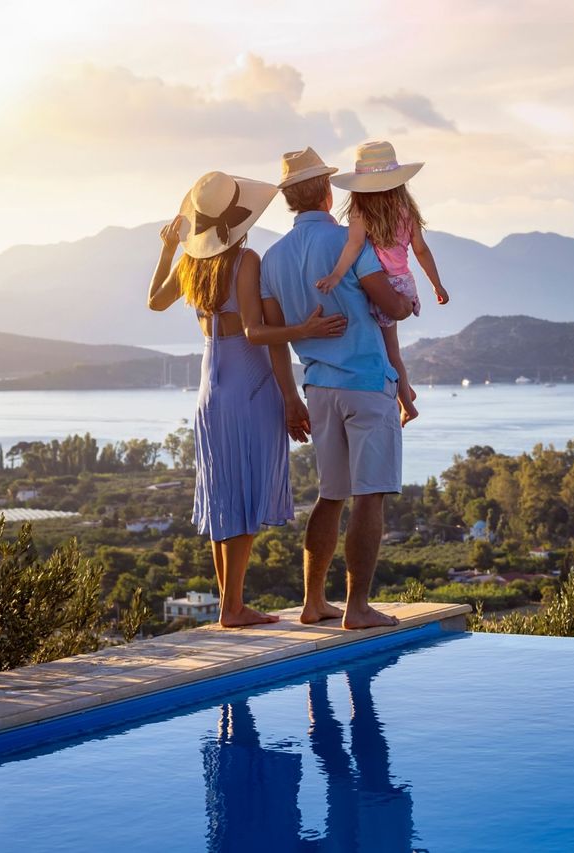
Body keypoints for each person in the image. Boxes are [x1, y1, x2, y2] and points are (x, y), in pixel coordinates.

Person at [147, 170, 345, 627]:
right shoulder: (247, 260)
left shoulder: (192, 266)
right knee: (247, 492)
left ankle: (229, 605)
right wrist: (305, 330)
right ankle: (233, 607)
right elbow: (258, 333)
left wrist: (168, 247)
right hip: (248, 384)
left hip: (209, 387)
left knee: (224, 495)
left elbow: (155, 301)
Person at [259, 147, 414, 630]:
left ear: (289, 200)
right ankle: (358, 607)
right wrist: (407, 301)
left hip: (317, 388)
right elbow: (389, 302)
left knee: (330, 496)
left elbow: (276, 341)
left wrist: (290, 399)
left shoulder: (272, 259)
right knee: (370, 496)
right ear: (328, 191)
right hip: (367, 384)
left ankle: (312, 602)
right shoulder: (349, 240)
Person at [317, 140, 449, 426]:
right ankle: (406, 387)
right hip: (404, 283)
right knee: (391, 348)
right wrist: (437, 286)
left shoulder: (361, 213)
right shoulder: (406, 211)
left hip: (379, 287)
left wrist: (336, 276)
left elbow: (352, 248)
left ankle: (407, 405)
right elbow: (421, 251)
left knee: (387, 351)